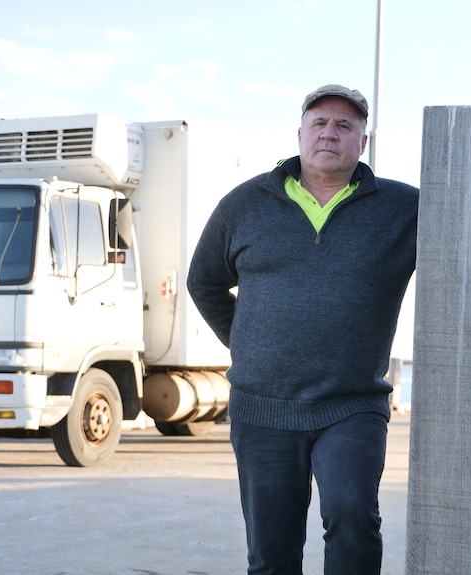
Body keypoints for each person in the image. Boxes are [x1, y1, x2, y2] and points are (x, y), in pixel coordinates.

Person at [187, 84, 418, 575]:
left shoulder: (405, 209)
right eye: (319, 123)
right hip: (262, 407)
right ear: (300, 134)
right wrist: (249, 345)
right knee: (272, 554)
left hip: (352, 405)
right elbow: (203, 281)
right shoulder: (246, 203)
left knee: (354, 520)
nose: (330, 133)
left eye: (344, 125)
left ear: (363, 142)